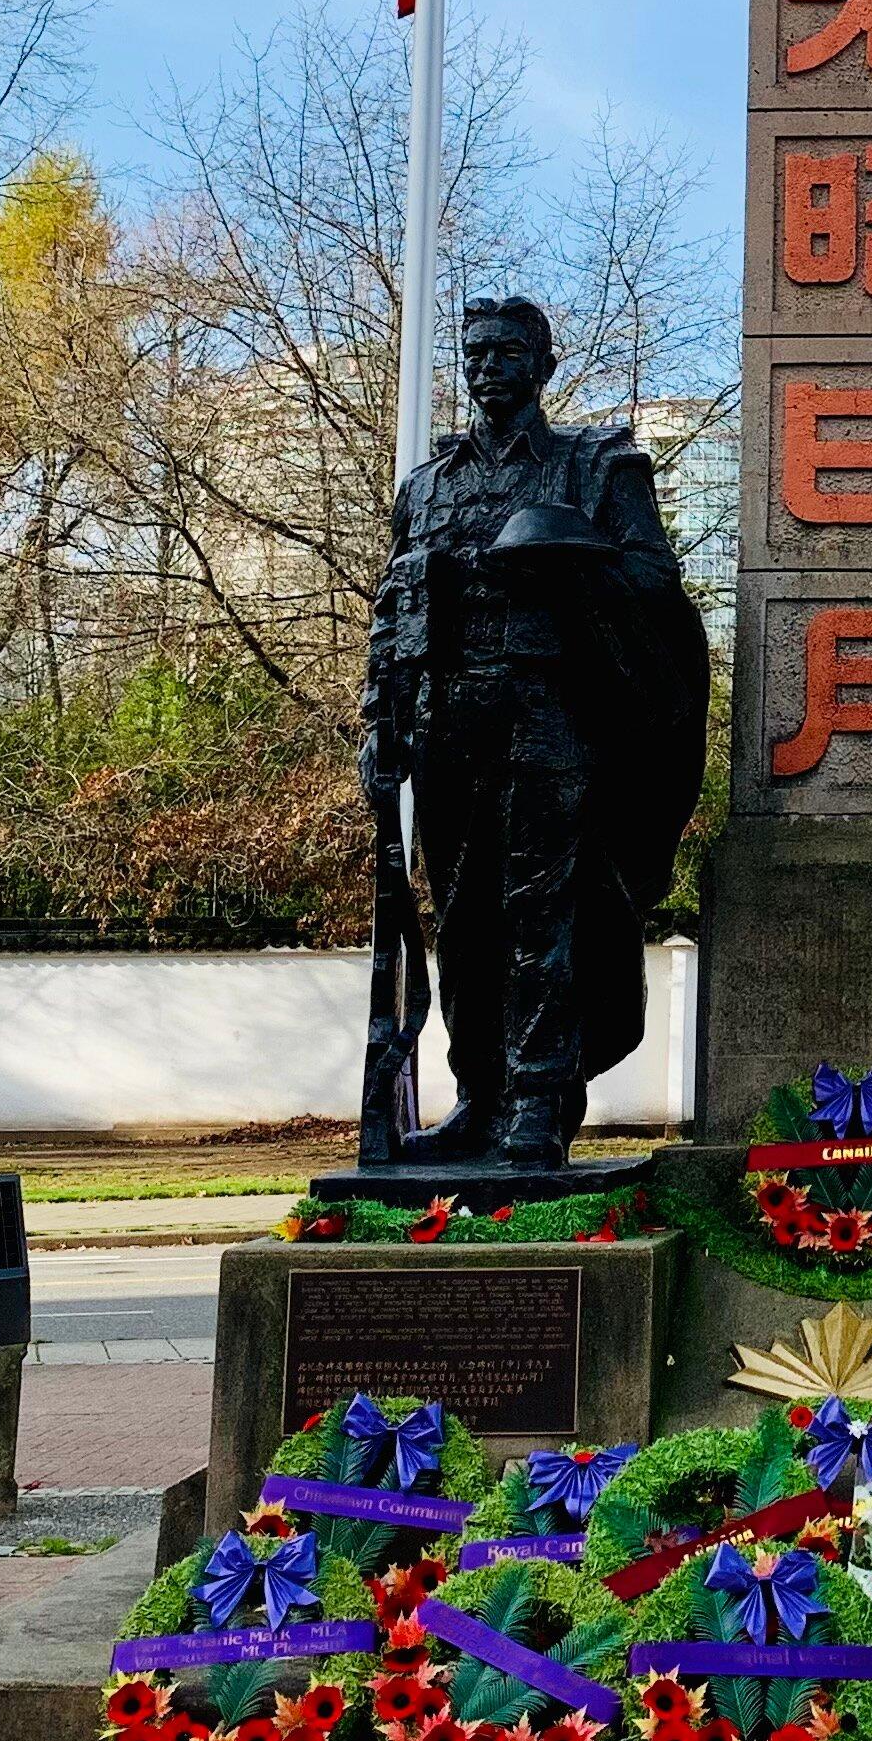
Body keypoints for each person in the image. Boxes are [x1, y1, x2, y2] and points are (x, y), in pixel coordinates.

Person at [360, 296, 707, 1169]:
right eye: (476, 353)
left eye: (509, 352)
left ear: (544, 364)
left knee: (542, 912)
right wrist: (380, 720)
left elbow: (655, 583)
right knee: (464, 920)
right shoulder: (428, 487)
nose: (487, 367)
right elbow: (393, 609)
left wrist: (568, 554)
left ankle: (541, 1102)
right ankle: (480, 1094)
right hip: (448, 719)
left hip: (551, 713)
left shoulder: (596, 466)